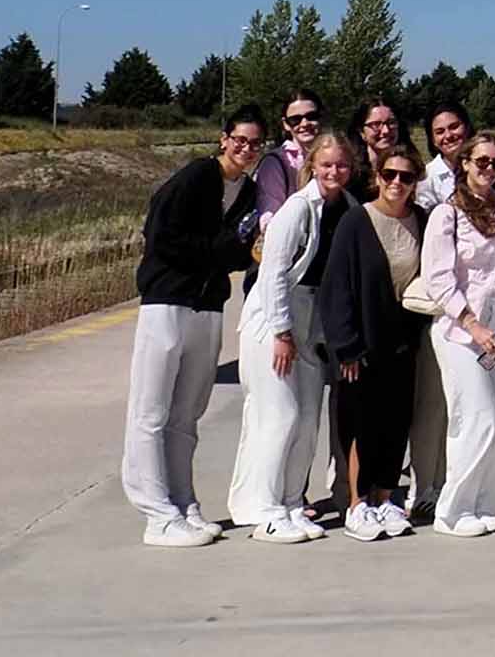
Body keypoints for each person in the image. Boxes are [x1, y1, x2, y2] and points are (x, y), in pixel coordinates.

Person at [122, 107, 264, 548]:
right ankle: (155, 511)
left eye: (255, 143)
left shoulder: (249, 192)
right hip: (168, 300)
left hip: (208, 305)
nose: (246, 149)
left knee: (187, 413)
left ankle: (183, 502)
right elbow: (162, 234)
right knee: (151, 410)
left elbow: (239, 251)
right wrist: (221, 253)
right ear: (223, 138)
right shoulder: (197, 177)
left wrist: (239, 256)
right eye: (239, 140)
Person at [230, 133, 355, 541]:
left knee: (304, 419)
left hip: (311, 325)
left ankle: (288, 502)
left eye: (341, 165)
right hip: (274, 323)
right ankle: (265, 510)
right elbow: (273, 276)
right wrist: (282, 333)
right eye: (326, 165)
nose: (334, 172)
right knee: (278, 415)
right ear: (312, 167)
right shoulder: (296, 210)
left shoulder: (349, 209)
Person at [320, 136, 426, 539]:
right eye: (389, 174)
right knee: (360, 423)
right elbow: (336, 289)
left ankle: (385, 497)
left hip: (402, 342)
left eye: (406, 175)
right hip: (361, 345)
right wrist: (345, 346)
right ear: (377, 178)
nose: (397, 182)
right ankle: (358, 503)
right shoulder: (356, 220)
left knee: (395, 422)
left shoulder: (423, 218)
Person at [428, 132, 495, 538]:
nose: (488, 169)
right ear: (465, 164)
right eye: (480, 161)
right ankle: (453, 510)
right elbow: (439, 279)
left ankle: (486, 503)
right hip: (460, 331)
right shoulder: (447, 215)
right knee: (477, 417)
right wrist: (472, 323)